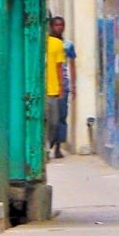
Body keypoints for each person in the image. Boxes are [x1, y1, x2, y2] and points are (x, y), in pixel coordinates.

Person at [46, 15, 75, 159]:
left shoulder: (67, 45)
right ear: (51, 26)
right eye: (56, 25)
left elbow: (71, 64)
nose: (59, 28)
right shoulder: (46, 43)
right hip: (51, 85)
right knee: (51, 118)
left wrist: (72, 85)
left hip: (63, 84)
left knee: (61, 117)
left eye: (61, 25)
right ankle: (49, 144)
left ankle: (58, 146)